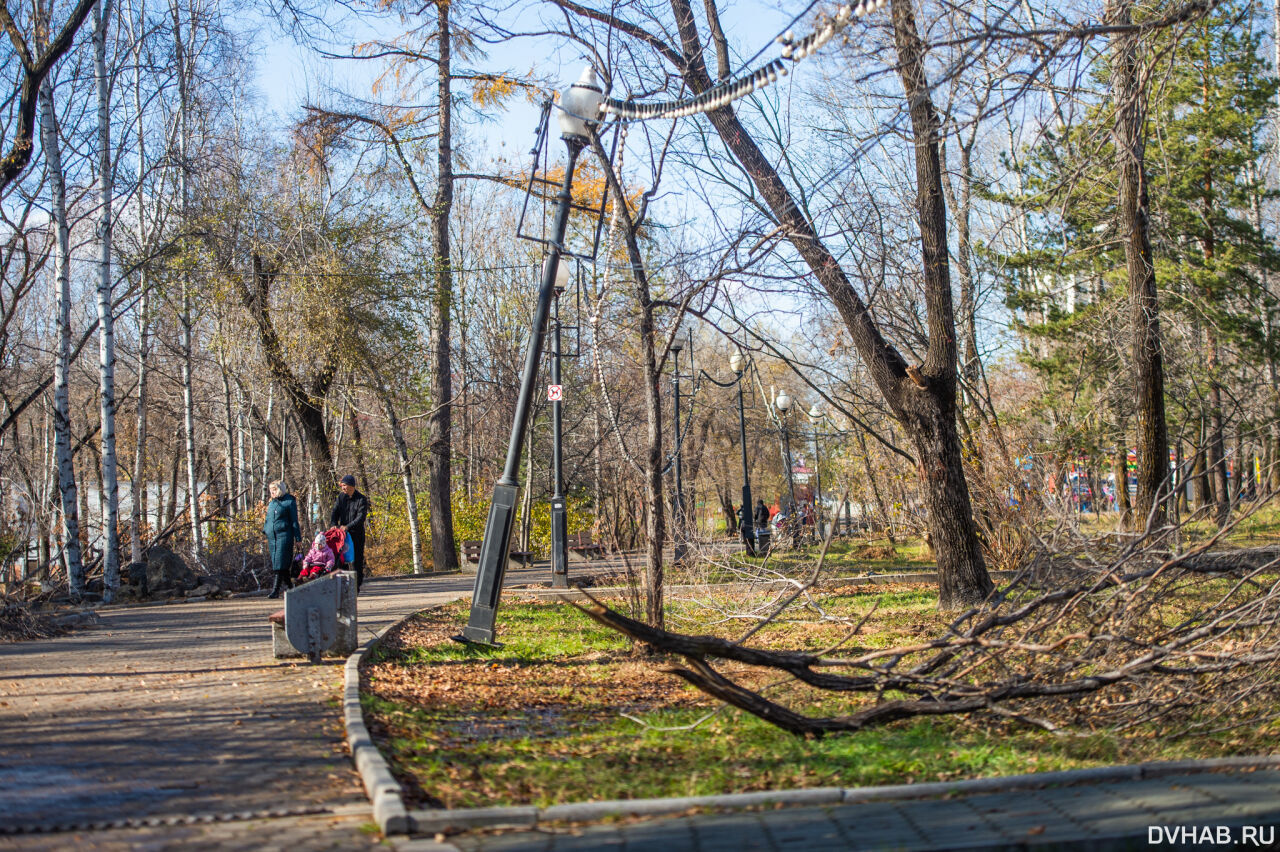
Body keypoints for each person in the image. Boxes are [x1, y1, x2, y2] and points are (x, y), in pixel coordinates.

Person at [331, 474, 370, 590]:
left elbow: (360, 517)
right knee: (341, 560)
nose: (343, 488)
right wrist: (333, 524)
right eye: (342, 486)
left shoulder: (361, 499)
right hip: (343, 536)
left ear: (351, 486)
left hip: (356, 534)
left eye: (344, 485)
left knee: (356, 560)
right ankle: (343, 586)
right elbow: (334, 512)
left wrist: (348, 526)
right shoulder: (341, 498)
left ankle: (356, 585)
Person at [263, 480, 301, 599]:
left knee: (279, 563)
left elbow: (294, 521)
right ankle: (291, 588)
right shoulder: (272, 503)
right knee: (279, 564)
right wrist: (265, 529)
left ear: (280, 489)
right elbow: (268, 519)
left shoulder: (289, 501)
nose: (272, 493)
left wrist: (298, 538)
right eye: (271, 490)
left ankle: (275, 591)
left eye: (274, 490)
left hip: (284, 536)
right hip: (272, 537)